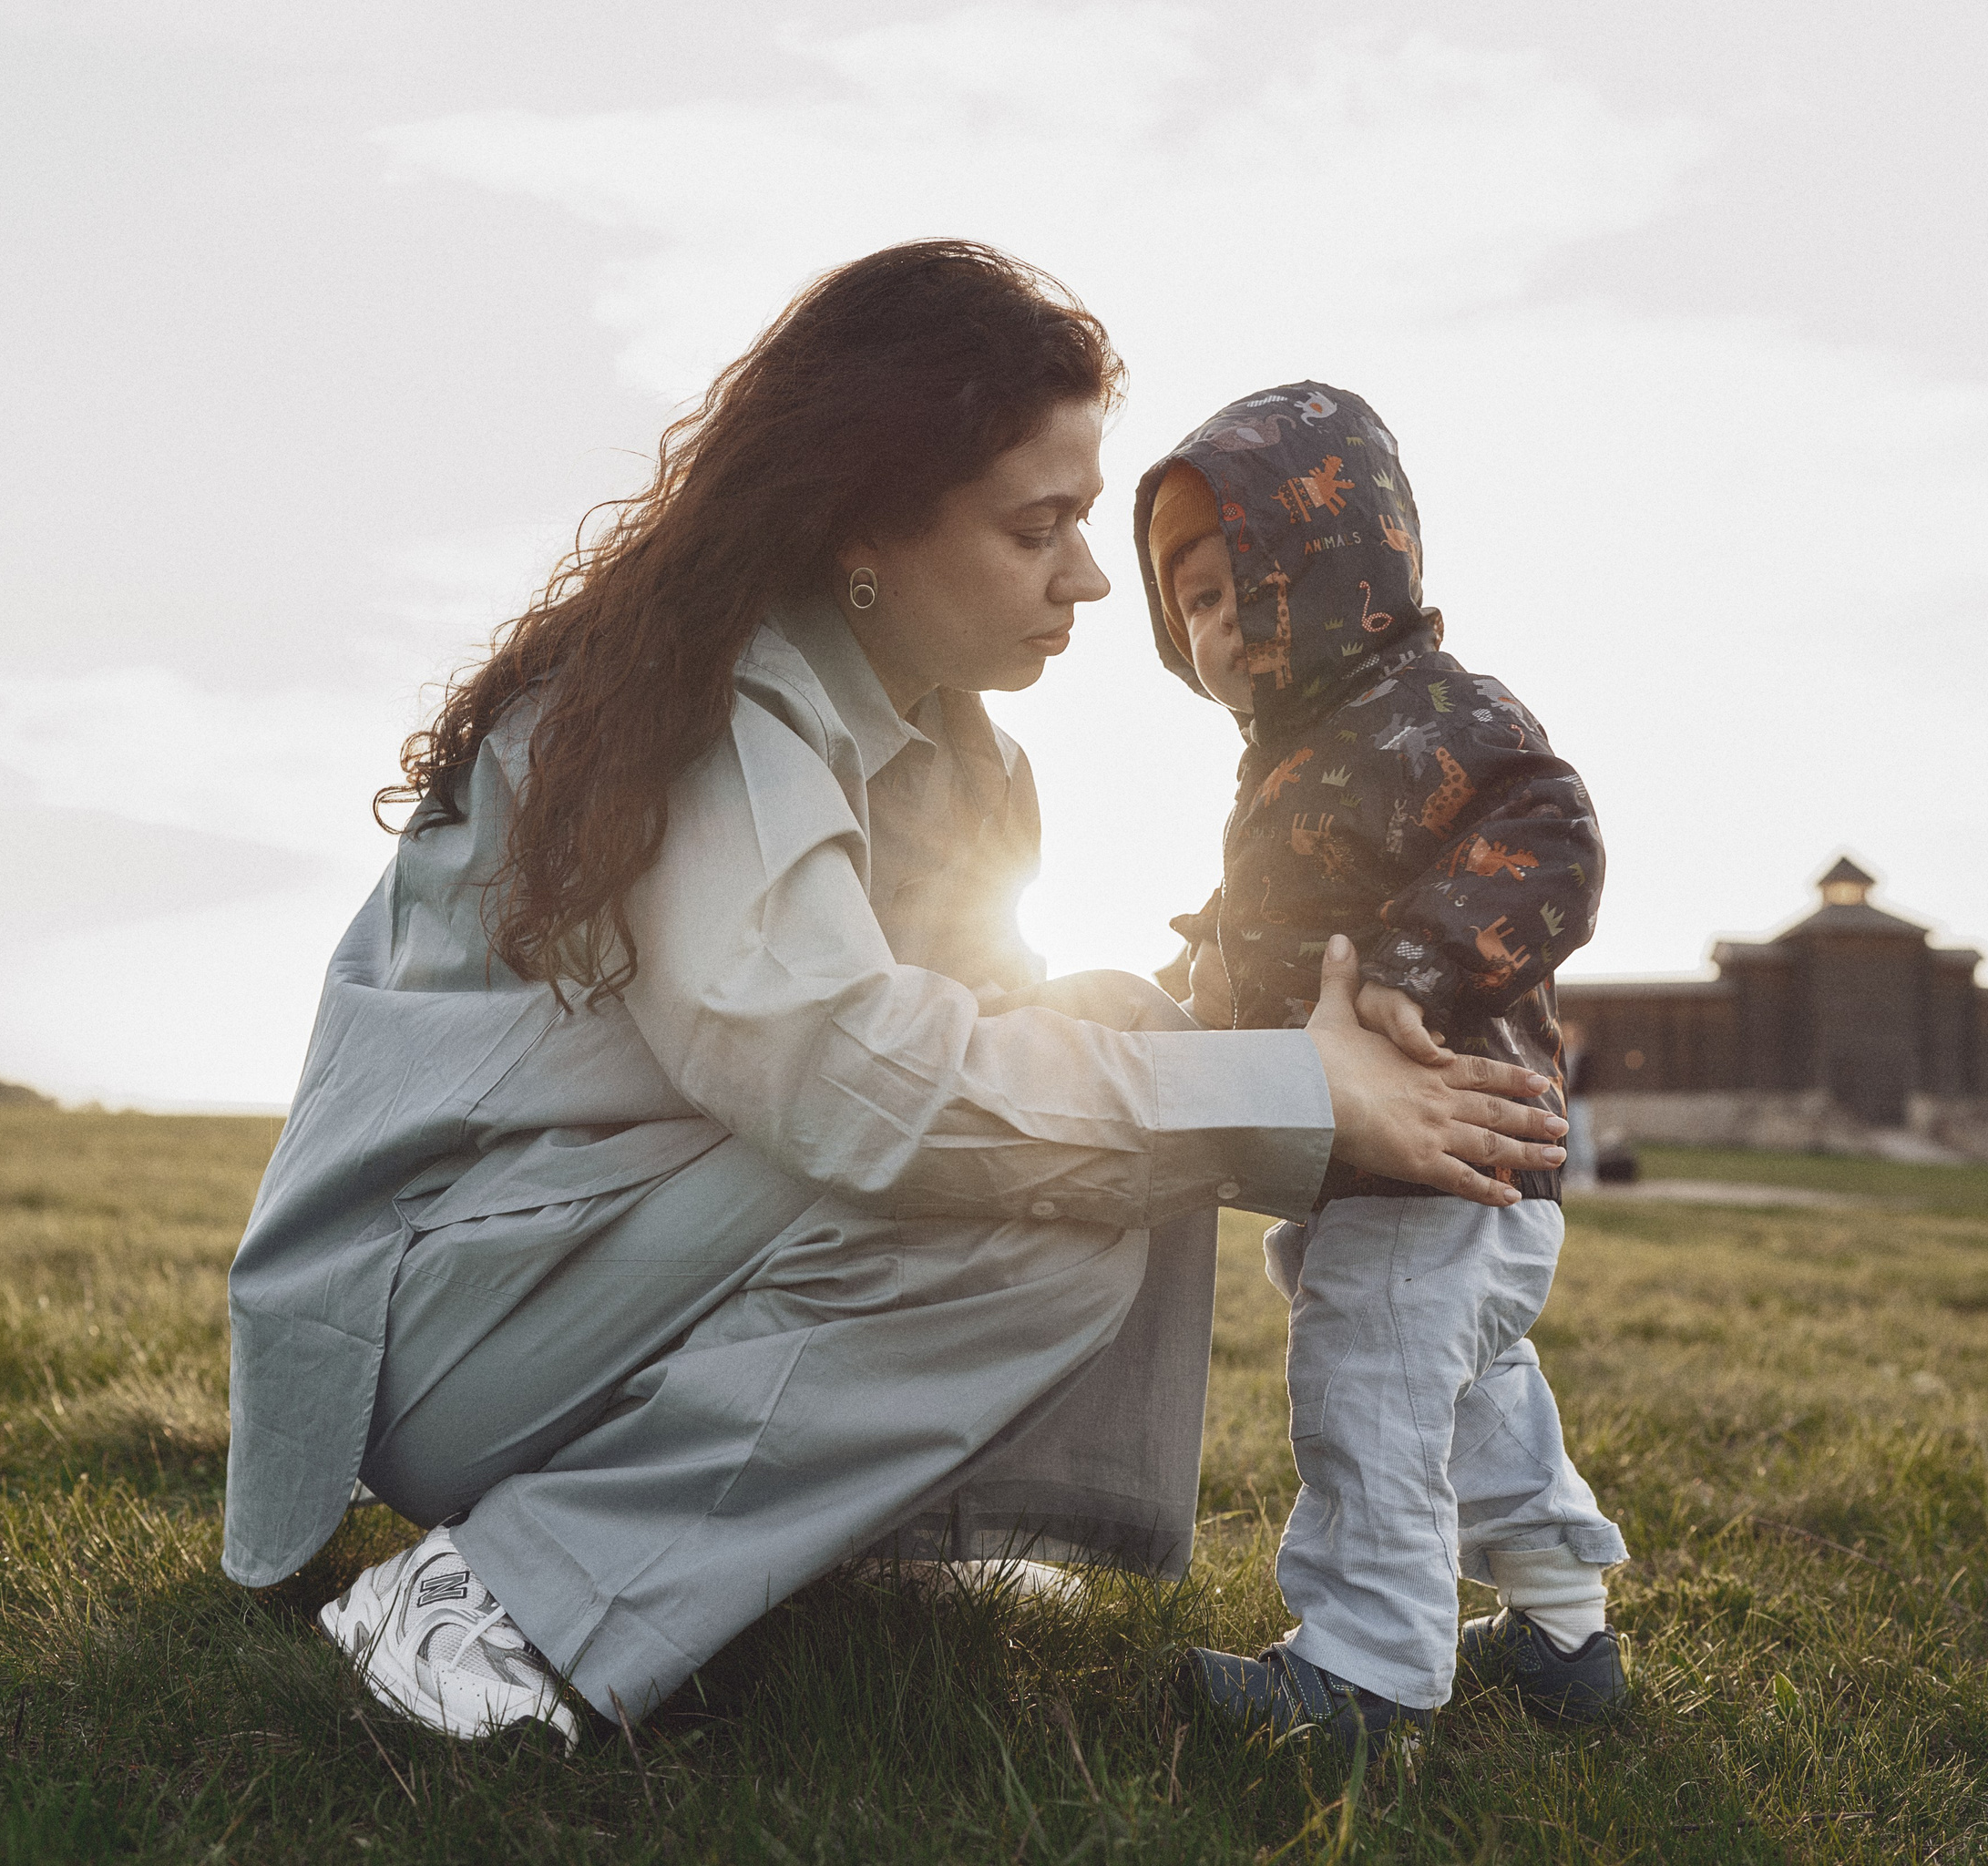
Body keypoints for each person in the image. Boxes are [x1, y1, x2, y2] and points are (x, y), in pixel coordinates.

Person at [226, 251, 1570, 1751]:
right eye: (1034, 528)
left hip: (611, 1261)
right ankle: (504, 1601)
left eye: (1082, 519)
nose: (1088, 577)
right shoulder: (714, 705)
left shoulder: (966, 762)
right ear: (864, 525)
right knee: (1074, 1154)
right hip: (452, 1320)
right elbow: (845, 1079)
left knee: (1104, 1069)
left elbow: (1014, 1068)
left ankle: (825, 1534)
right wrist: (1299, 1098)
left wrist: (1303, 1058)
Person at [1137, 383, 1629, 1753]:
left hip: (1442, 1140)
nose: (1218, 627)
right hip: (1422, 1175)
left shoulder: (1430, 715)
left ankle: (1364, 1671)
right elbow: (1282, 942)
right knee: (1471, 1396)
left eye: (1242, 584)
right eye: (1190, 604)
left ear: (1343, 564)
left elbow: (1555, 833)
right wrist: (1198, 995)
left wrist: (1419, 965)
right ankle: (1564, 1632)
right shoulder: (1293, 763)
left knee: (1367, 1384)